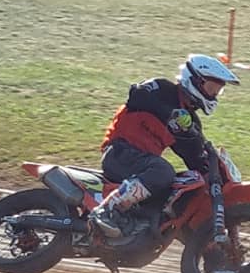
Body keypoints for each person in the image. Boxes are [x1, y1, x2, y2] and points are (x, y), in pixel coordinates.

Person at [89, 54, 240, 238]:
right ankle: (107, 210)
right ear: (194, 80)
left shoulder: (190, 122)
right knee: (163, 171)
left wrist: (216, 171)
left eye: (218, 90)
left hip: (143, 166)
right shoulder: (161, 88)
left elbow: (194, 157)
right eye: (211, 87)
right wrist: (169, 112)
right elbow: (136, 95)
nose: (214, 94)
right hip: (119, 153)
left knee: (185, 188)